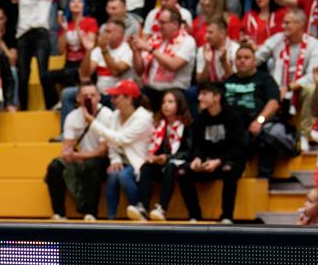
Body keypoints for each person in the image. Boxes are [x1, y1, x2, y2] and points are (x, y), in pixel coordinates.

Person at [256, 8, 318, 146]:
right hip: (276, 87)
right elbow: (257, 57)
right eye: (284, 22)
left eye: (287, 23)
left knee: (312, 89)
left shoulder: (314, 45)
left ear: (300, 25)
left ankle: (305, 135)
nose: (283, 26)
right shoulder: (277, 39)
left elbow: (313, 75)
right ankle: (261, 129)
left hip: (298, 89)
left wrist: (288, 88)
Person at [46, 82, 112, 221]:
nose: (89, 99)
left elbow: (102, 151)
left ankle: (90, 213)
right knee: (55, 166)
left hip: (102, 160)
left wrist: (78, 155)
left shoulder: (107, 115)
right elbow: (67, 146)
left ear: (99, 97)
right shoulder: (72, 116)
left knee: (92, 166)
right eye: (85, 96)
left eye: (92, 95)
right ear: (78, 98)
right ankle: (59, 213)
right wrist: (68, 154)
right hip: (80, 158)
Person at [89, 80, 153, 220]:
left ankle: (139, 211)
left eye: (116, 96)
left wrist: (93, 123)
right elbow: (111, 143)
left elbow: (120, 139)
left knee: (123, 176)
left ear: (129, 98)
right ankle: (111, 218)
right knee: (112, 174)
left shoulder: (144, 118)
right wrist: (115, 160)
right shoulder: (115, 115)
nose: (112, 100)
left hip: (139, 162)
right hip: (122, 160)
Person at [186, 80, 247, 223]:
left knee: (228, 170)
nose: (199, 98)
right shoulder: (200, 119)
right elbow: (197, 146)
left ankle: (227, 216)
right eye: (199, 94)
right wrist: (197, 158)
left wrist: (219, 161)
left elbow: (238, 148)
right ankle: (194, 215)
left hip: (229, 161)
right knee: (183, 172)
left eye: (204, 94)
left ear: (217, 97)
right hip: (208, 162)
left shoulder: (233, 117)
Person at [134, 88, 193, 221]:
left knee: (171, 166)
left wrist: (168, 158)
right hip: (163, 164)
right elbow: (156, 148)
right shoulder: (159, 125)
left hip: (179, 164)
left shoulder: (188, 125)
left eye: (170, 102)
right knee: (146, 167)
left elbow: (188, 152)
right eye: (164, 102)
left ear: (180, 105)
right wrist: (153, 157)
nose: (166, 105)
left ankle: (162, 208)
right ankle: (143, 207)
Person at [225, 43, 283, 178]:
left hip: (256, 123)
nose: (242, 61)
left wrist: (259, 120)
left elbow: (274, 103)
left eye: (246, 58)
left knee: (271, 133)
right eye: (239, 58)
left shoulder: (265, 79)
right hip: (232, 126)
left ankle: (264, 177)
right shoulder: (229, 81)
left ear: (254, 61)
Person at [8, 0, 56, 111]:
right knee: (23, 74)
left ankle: (51, 105)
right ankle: (24, 107)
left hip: (41, 33)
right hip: (23, 34)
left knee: (43, 72)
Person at [43, 0, 94, 112]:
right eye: (73, 1)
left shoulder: (90, 22)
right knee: (46, 76)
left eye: (79, 1)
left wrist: (79, 30)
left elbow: (90, 45)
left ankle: (71, 102)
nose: (76, 4)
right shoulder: (66, 25)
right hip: (69, 64)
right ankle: (53, 105)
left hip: (84, 64)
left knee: (69, 74)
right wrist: (65, 30)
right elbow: (61, 51)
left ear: (84, 5)